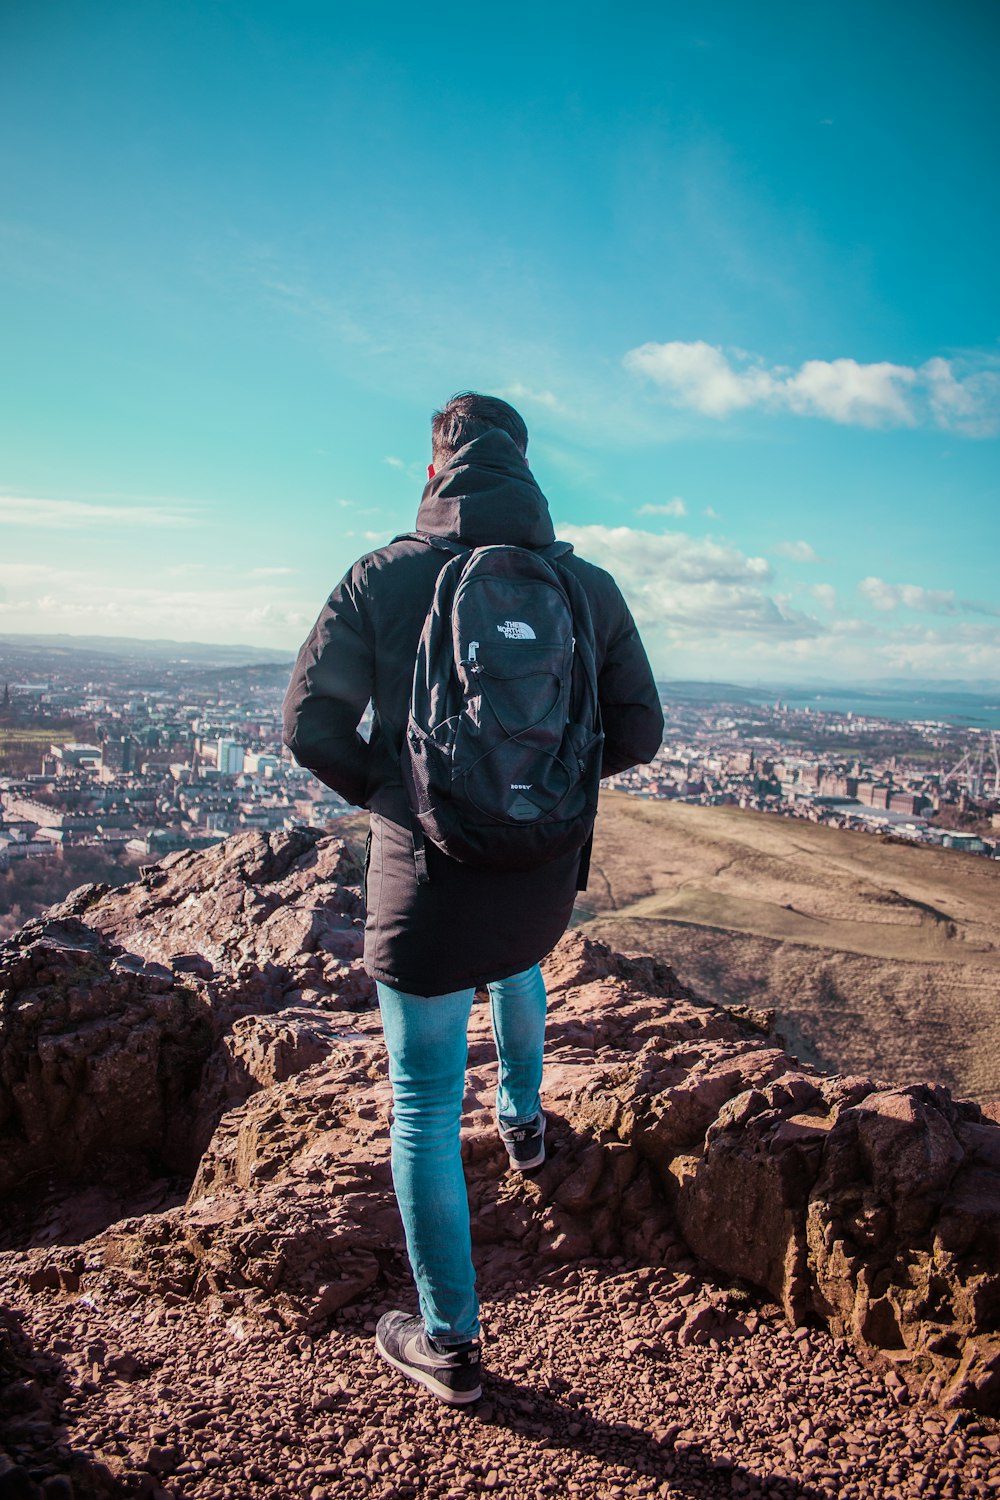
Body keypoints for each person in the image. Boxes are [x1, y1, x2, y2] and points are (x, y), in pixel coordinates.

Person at [283, 393, 663, 1404]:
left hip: (424, 885)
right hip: (537, 874)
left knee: (419, 1105)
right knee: (520, 965)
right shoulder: (584, 585)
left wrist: (394, 791)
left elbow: (309, 725)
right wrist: (544, 792)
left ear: (433, 467)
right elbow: (639, 730)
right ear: (526, 467)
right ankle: (527, 1121)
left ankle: (449, 1343)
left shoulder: (385, 576)